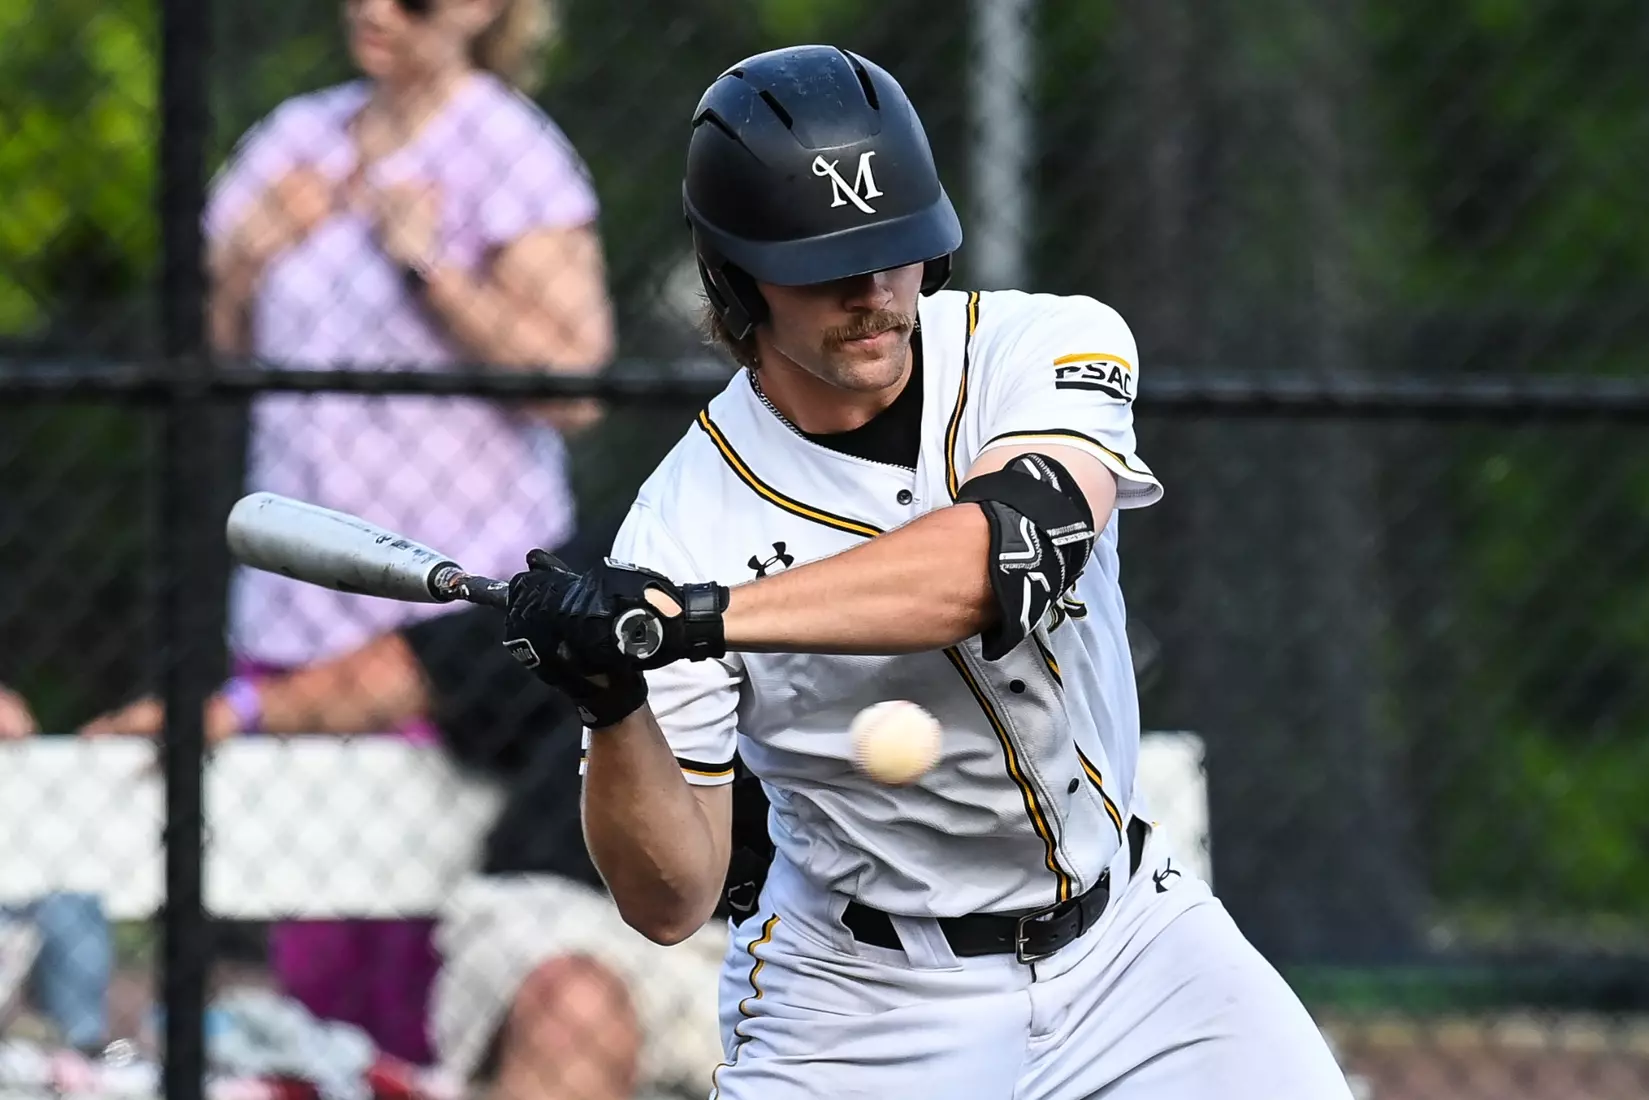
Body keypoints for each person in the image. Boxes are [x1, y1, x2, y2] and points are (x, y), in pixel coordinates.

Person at [498, 45, 1358, 1099]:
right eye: (823, 265)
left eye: (893, 247)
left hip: (1134, 948)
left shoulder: (1040, 344)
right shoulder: (677, 527)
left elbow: (1003, 556)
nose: (870, 290)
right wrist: (610, 696)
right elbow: (669, 896)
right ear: (734, 275)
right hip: (863, 1009)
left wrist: (709, 619)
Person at [203, 0, 614, 1065]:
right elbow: (222, 346)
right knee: (317, 969)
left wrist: (436, 273)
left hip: (457, 621)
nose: (374, 12)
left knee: (429, 965)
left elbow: (573, 385)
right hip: (298, 607)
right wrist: (249, 257)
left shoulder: (511, 149)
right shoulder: (296, 137)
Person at [75, 599, 727, 1100]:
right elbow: (432, 667)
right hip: (579, 914)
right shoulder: (677, 525)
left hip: (784, 939)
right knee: (575, 1008)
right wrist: (237, 709)